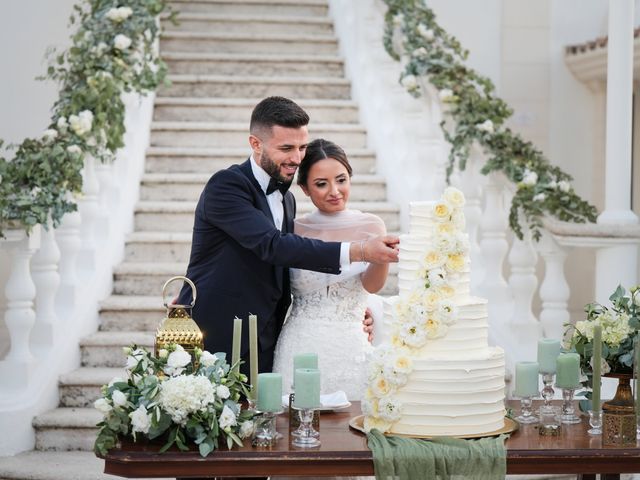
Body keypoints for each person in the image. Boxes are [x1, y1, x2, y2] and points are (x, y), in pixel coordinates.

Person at [177, 97, 399, 378]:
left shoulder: (288, 200)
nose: (296, 158)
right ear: (256, 144)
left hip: (269, 341)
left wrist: (353, 311)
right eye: (286, 148)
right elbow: (272, 246)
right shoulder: (227, 185)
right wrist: (361, 250)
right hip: (215, 334)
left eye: (302, 147)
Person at [272, 139, 388, 401]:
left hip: (350, 343)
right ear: (304, 188)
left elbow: (372, 286)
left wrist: (381, 257)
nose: (334, 191)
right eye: (321, 184)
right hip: (299, 342)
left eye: (341, 179)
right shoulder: (293, 228)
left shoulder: (371, 224)